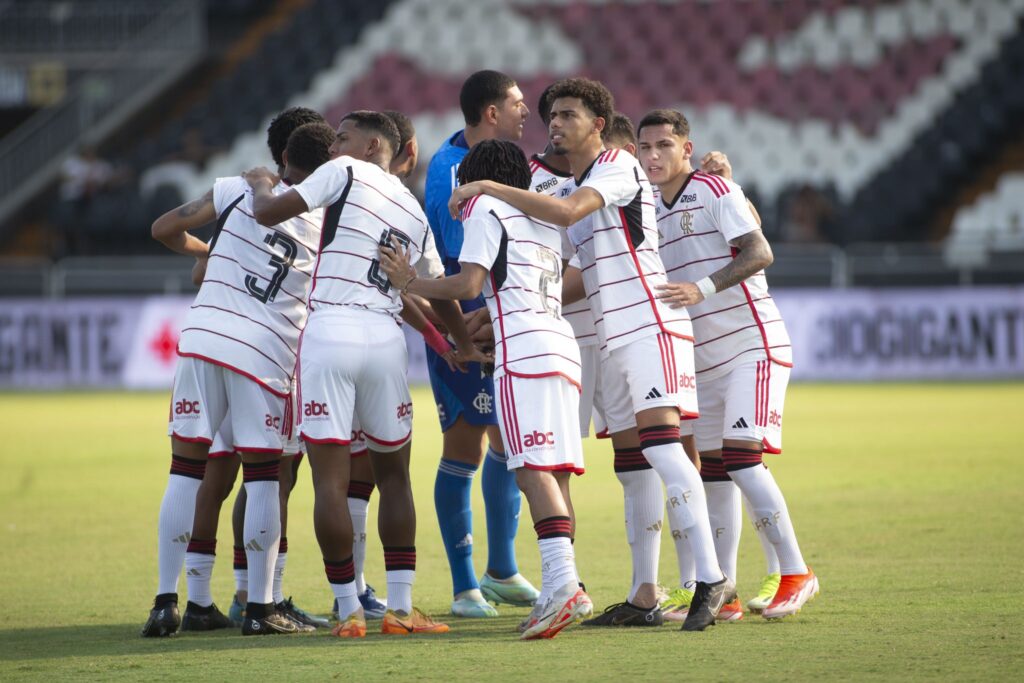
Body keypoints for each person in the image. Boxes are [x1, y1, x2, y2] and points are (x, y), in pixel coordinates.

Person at [448, 77, 732, 632]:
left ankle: (711, 575)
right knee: (635, 464)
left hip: (651, 321)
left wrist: (486, 185)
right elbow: (575, 274)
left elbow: (568, 213)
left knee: (666, 450)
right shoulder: (571, 182)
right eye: (551, 114)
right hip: (614, 331)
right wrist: (489, 314)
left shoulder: (618, 166)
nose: (555, 123)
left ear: (598, 125)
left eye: (569, 114)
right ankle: (644, 594)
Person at [243, 110, 480, 638]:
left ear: (373, 144)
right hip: (385, 340)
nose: (333, 148)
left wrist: (260, 183)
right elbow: (431, 293)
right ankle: (400, 607)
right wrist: (457, 346)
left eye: (342, 138)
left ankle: (348, 608)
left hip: (330, 331)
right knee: (395, 476)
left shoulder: (344, 172)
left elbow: (268, 213)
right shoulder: (415, 211)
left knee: (330, 479)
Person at [379, 139, 593, 640]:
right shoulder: (539, 215)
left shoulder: (486, 207)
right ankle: (566, 584)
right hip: (561, 345)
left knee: (530, 470)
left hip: (523, 354)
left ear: (470, 178)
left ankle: (561, 588)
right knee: (556, 473)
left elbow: (468, 283)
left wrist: (409, 280)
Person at [144, 114, 334, 637]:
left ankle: (165, 603)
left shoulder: (235, 189)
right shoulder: (329, 221)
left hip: (203, 337)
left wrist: (211, 251)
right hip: (265, 354)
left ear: (282, 160)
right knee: (264, 478)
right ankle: (260, 607)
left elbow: (164, 229)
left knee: (185, 470)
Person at [638, 108, 819, 620]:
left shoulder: (714, 189)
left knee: (742, 459)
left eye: (665, 146)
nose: (654, 156)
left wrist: (703, 287)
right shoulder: (646, 204)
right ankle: (725, 589)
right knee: (715, 473)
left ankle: (796, 571)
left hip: (751, 345)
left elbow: (760, 251)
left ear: (686, 149)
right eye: (645, 147)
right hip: (703, 359)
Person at [423, 69, 539, 618]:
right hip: (463, 321)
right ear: (491, 112)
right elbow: (458, 246)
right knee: (465, 444)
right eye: (517, 103)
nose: (526, 110)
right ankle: (466, 586)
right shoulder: (451, 169)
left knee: (509, 441)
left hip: (504, 320)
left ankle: (502, 570)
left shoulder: (516, 167)